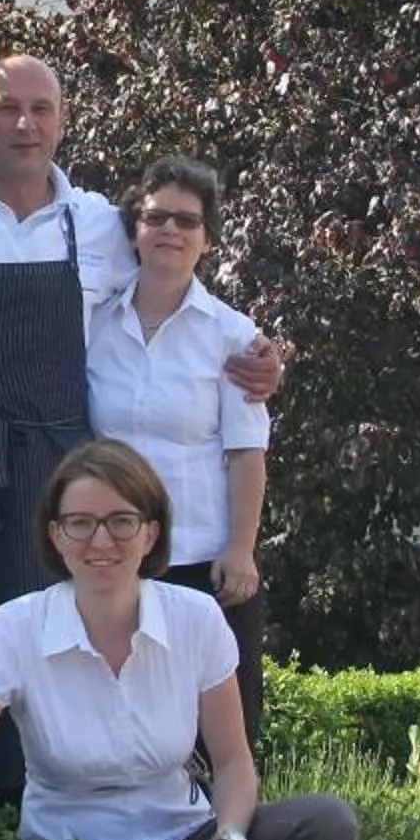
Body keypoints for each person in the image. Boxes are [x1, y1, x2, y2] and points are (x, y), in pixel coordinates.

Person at [0, 55, 283, 797]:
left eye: (42, 109)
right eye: (8, 107)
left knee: (84, 652)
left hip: (60, 473)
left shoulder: (97, 223)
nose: (25, 124)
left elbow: (195, 325)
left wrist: (267, 363)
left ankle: (182, 826)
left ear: (64, 121)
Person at [0, 439, 356, 840]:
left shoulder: (195, 619)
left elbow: (233, 763)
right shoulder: (13, 630)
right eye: (79, 523)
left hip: (185, 834)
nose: (100, 540)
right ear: (55, 535)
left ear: (151, 532)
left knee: (327, 824)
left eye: (122, 522)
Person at [86, 156, 272, 752]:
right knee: (123, 722)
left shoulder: (234, 337)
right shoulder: (92, 326)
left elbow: (247, 451)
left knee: (218, 733)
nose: (171, 230)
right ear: (134, 230)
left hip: (200, 564)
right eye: (156, 216)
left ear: (207, 239)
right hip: (112, 561)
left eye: (187, 221)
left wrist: (241, 549)